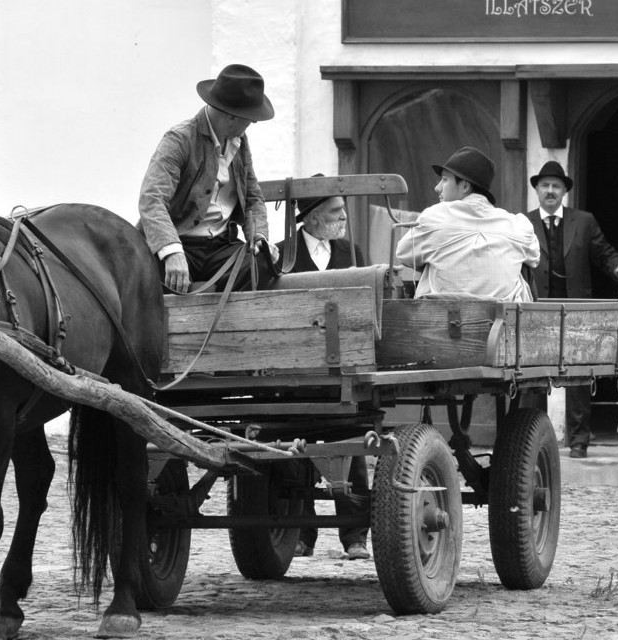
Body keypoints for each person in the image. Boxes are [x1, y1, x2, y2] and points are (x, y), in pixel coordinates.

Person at [273, 194, 372, 559]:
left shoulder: (353, 253)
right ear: (313, 218)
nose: (344, 216)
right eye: (335, 211)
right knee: (292, 454)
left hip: (343, 367)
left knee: (353, 448)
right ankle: (302, 535)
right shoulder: (282, 253)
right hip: (293, 369)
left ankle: (355, 537)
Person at [138, 63, 278, 293]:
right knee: (158, 279)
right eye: (250, 118)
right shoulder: (179, 140)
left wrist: (259, 238)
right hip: (180, 242)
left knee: (261, 264)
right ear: (232, 117)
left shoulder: (240, 141)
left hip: (221, 246)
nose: (252, 123)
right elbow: (152, 199)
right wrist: (172, 251)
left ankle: (229, 325)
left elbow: (253, 197)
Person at [527, 161, 618, 459]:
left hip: (575, 309)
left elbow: (603, 251)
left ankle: (579, 441)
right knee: (532, 376)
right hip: (537, 309)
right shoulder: (523, 222)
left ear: (564, 192)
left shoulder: (583, 221)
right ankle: (532, 439)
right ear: (536, 189)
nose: (550, 191)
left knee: (578, 375)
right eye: (544, 185)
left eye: (556, 186)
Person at [395, 146, 539, 300]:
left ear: (465, 186)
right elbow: (534, 257)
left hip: (442, 320)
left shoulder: (435, 217)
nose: (437, 188)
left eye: (444, 180)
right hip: (502, 321)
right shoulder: (517, 226)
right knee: (522, 267)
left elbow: (403, 254)